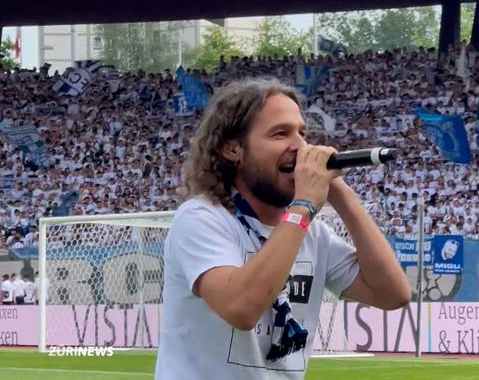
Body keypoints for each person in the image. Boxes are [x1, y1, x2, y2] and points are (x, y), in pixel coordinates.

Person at [154, 78, 410, 380]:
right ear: (233, 149)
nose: (301, 147)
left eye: (302, 133)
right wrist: (303, 206)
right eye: (280, 134)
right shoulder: (201, 219)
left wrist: (342, 195)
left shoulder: (311, 233)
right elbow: (241, 308)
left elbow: (393, 294)